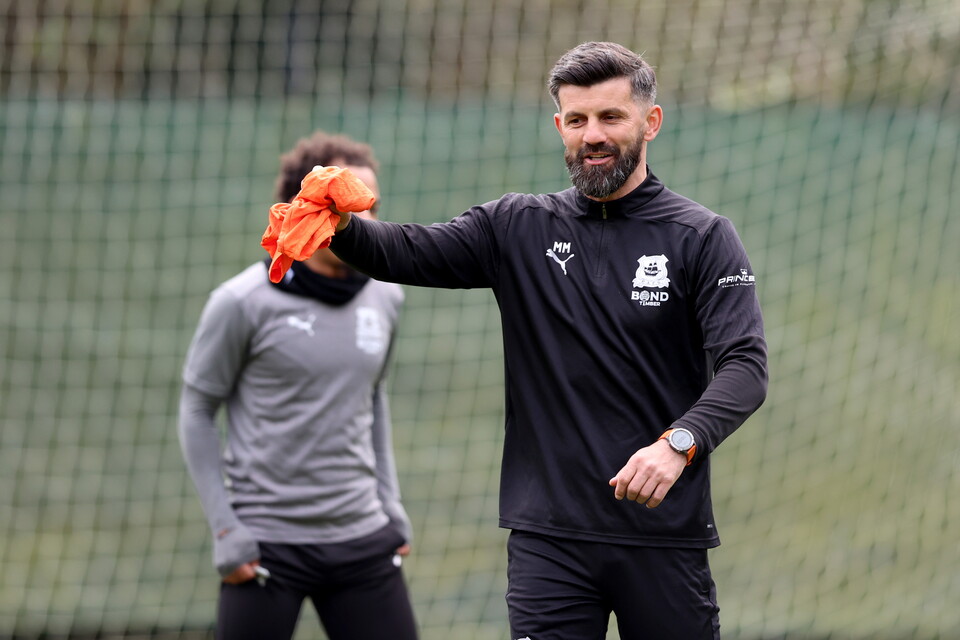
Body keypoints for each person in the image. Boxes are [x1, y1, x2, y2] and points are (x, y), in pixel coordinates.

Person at [328, 42, 768, 639]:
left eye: (611, 117)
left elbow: (745, 367)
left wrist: (678, 444)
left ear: (650, 122)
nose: (593, 135)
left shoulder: (703, 236)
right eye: (578, 120)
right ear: (559, 126)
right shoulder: (516, 225)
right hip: (549, 544)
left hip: (663, 536)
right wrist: (334, 220)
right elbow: (403, 249)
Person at [178, 131, 418, 640]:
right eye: (340, 202)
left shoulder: (387, 296)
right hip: (266, 547)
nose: (360, 220)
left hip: (362, 537)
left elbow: (373, 396)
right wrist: (226, 529)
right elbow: (197, 409)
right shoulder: (242, 302)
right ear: (299, 211)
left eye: (367, 204)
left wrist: (390, 505)